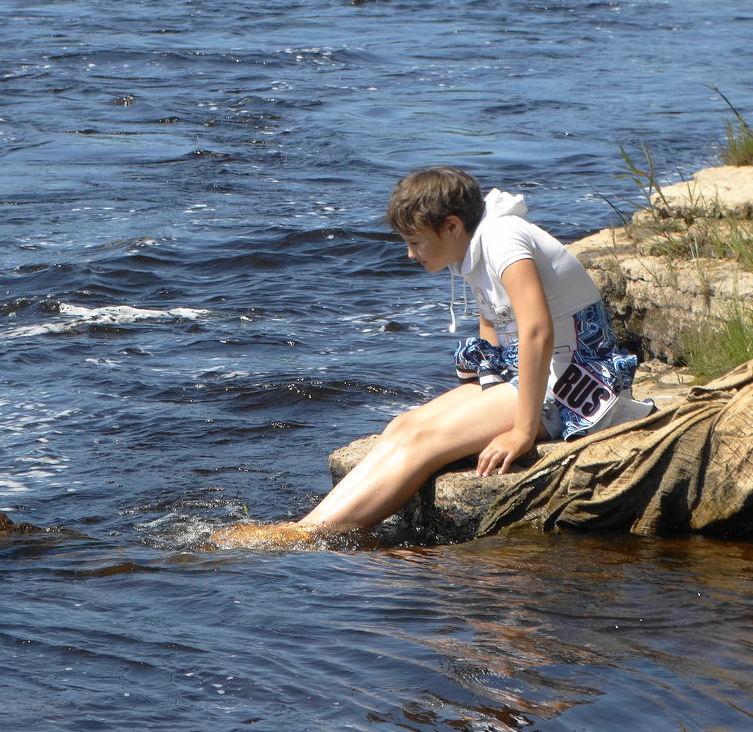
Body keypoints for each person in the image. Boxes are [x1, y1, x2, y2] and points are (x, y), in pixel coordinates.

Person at [211, 167, 654, 547]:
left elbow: (537, 329)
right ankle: (309, 525)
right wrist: (477, 393)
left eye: (416, 242)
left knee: (426, 441)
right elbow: (495, 326)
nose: (410, 254)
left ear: (452, 226)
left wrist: (521, 431)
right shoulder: (478, 244)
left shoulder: (504, 239)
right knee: (404, 425)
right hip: (536, 370)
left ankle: (311, 535)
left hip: (572, 387)